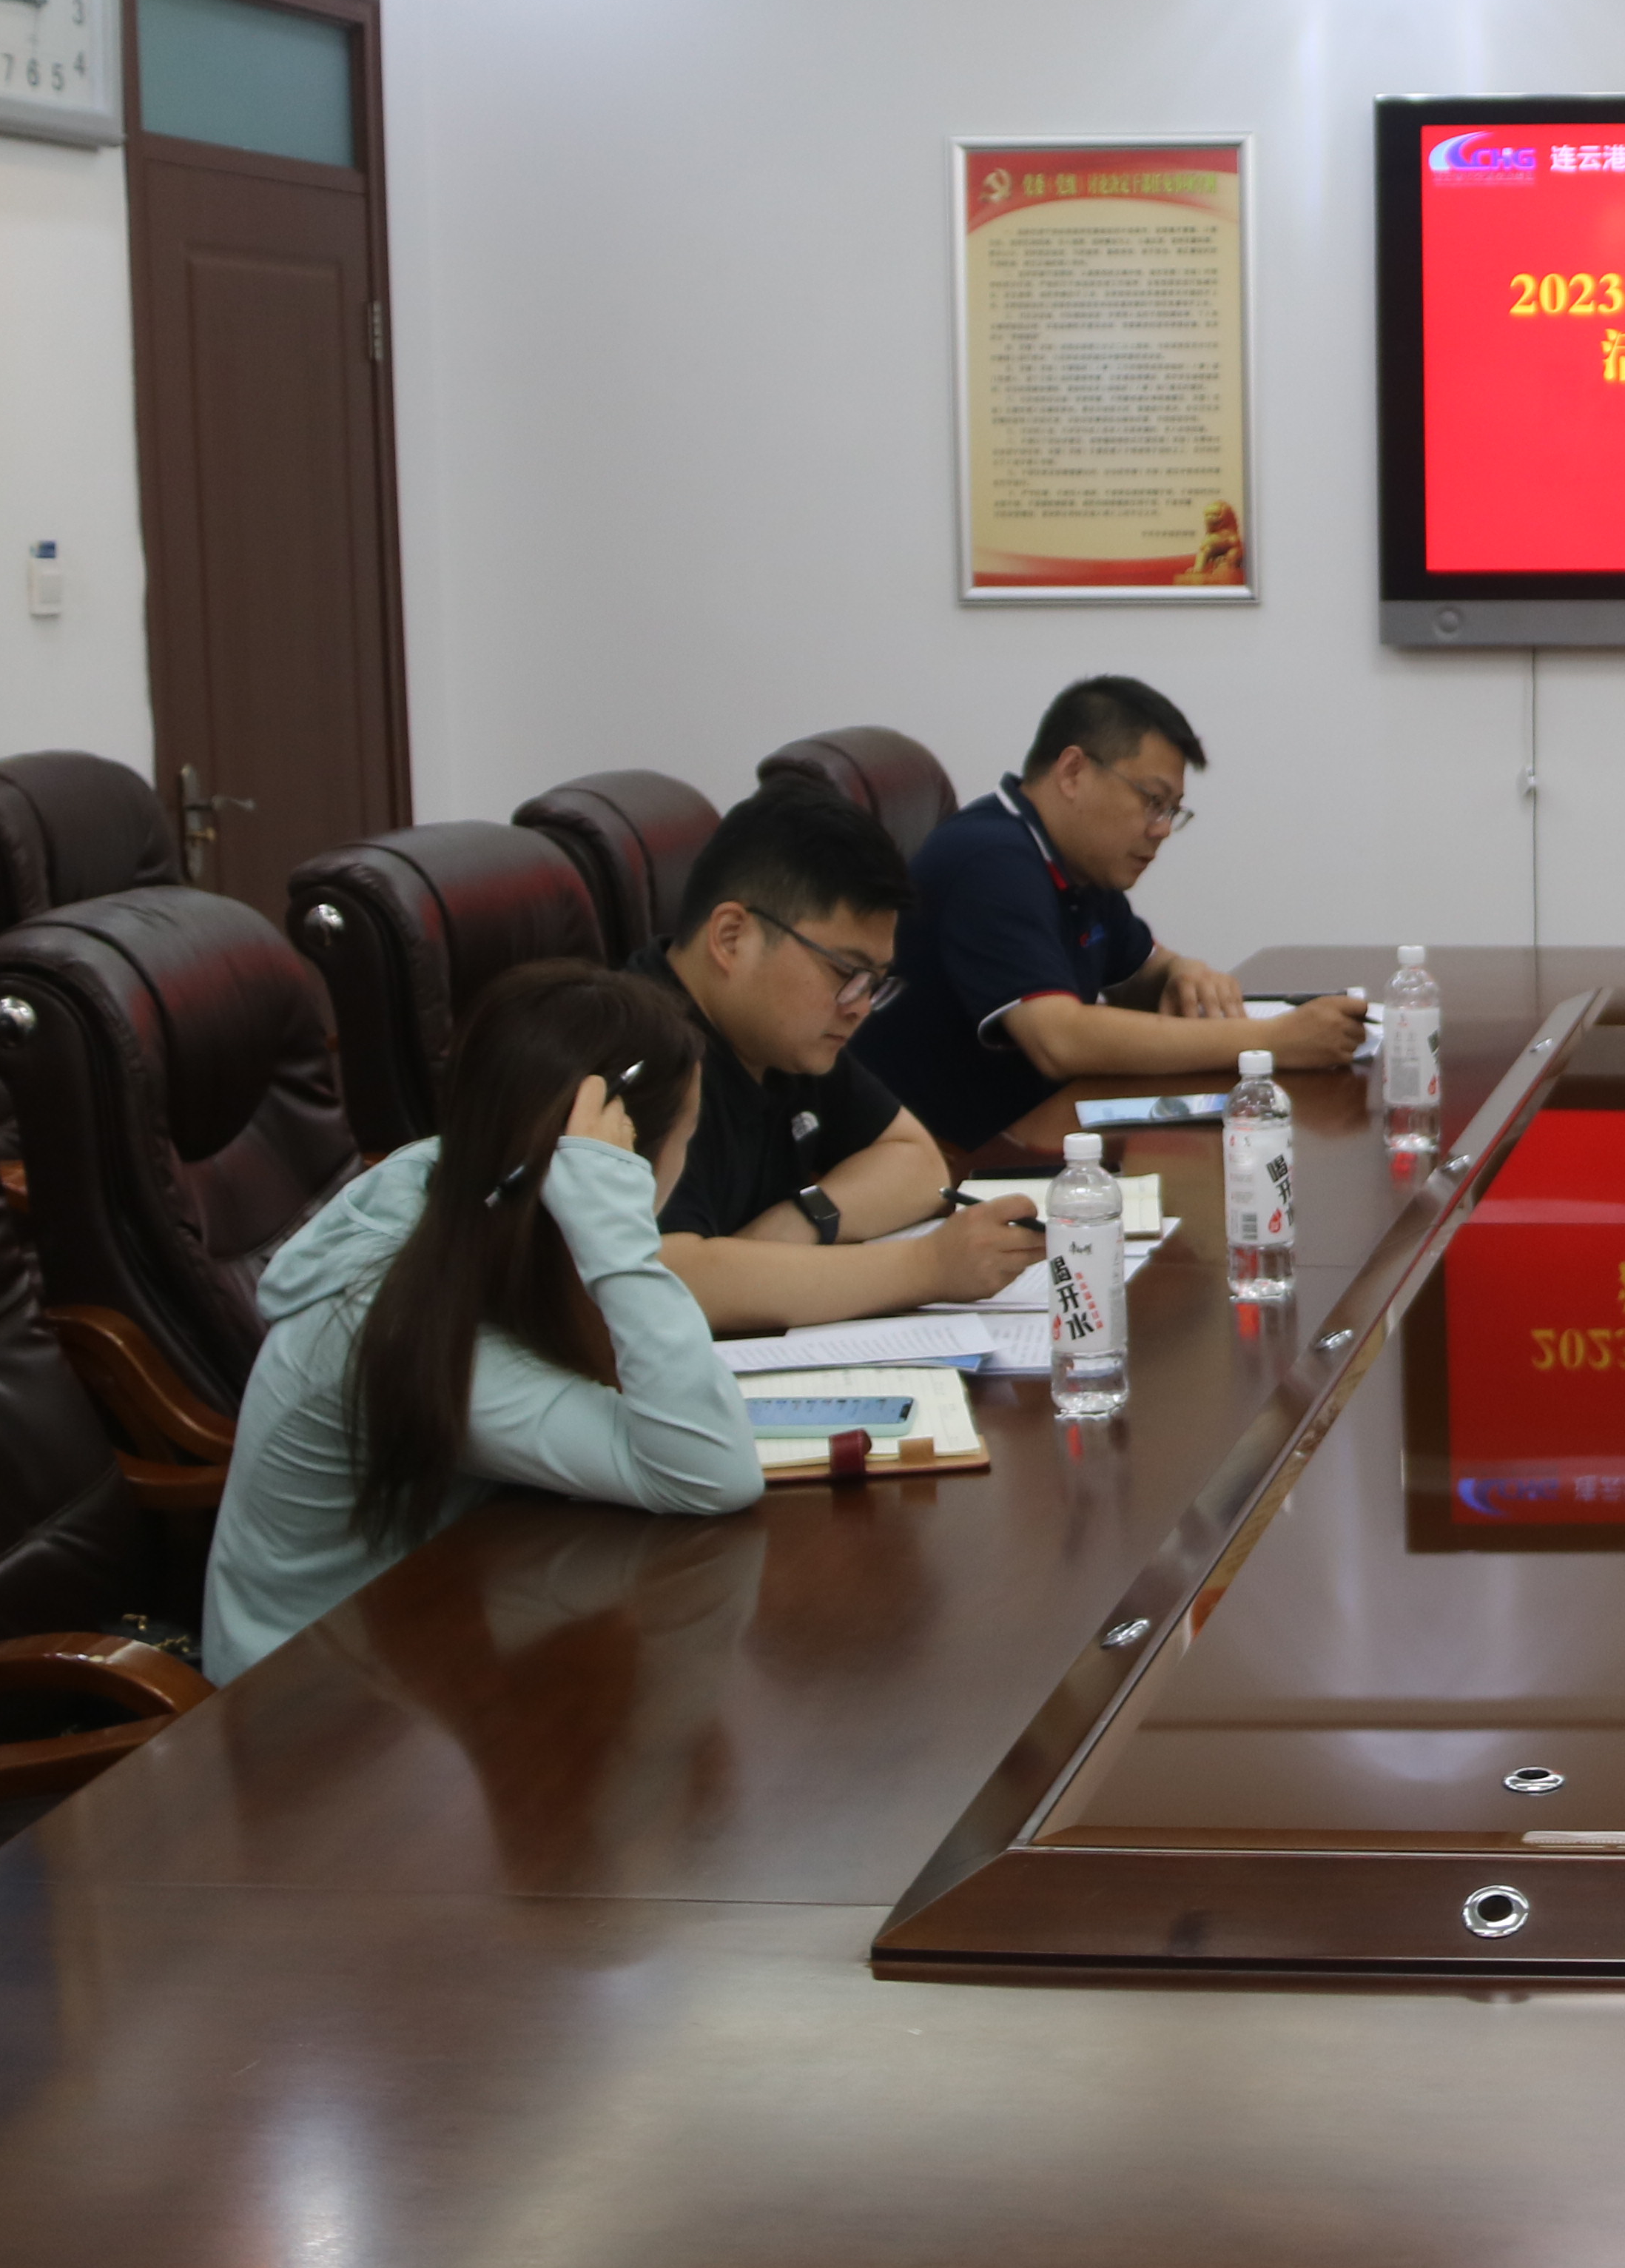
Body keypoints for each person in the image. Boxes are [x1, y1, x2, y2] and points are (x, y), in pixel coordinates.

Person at [206, 962, 762, 1679]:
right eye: (689, 1136)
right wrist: (616, 1232)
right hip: (303, 1701)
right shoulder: (404, 1322)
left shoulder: (477, 1191)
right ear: (616, 1162)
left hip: (435, 1626)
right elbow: (712, 1471)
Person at [851, 675, 1362, 1156]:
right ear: (1073, 772)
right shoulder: (990, 860)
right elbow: (1060, 1039)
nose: (1161, 829)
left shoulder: (1076, 862)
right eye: (1153, 801)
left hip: (1046, 1128)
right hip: (953, 1160)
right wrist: (1272, 1041)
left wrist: (1183, 971)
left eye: (1172, 810)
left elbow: (1140, 971)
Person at [633, 781, 1046, 1335]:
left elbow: (917, 1163)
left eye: (874, 982)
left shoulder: (779, 1036)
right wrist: (926, 1267)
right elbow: (670, 1281)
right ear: (731, 938)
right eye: (845, 973)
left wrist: (802, 1220)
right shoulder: (636, 1054)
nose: (860, 1007)